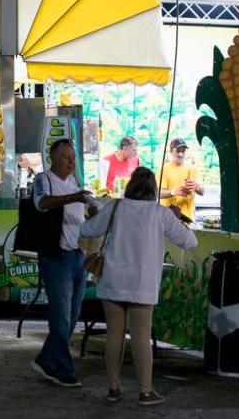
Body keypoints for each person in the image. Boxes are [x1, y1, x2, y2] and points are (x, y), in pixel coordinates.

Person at [80, 166, 197, 406]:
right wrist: (175, 218)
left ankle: (113, 388)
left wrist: (94, 214)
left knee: (114, 335)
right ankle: (145, 392)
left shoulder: (115, 207)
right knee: (141, 337)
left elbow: (86, 229)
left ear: (131, 186)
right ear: (153, 189)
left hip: (113, 281)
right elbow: (190, 240)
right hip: (142, 285)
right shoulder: (160, 213)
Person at [31, 138, 96, 388]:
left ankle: (47, 358)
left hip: (77, 253)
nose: (71, 162)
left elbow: (77, 213)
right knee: (60, 316)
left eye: (73, 157)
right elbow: (41, 203)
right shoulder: (44, 180)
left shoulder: (74, 182)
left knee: (72, 314)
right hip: (56, 256)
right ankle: (64, 369)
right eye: (66, 157)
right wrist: (73, 197)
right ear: (54, 158)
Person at [158, 138, 204, 223]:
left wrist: (197, 187)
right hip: (168, 218)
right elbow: (157, 193)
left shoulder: (192, 169)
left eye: (183, 151)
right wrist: (173, 192)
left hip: (188, 218)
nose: (180, 154)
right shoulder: (163, 169)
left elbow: (202, 192)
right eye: (177, 151)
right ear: (171, 151)